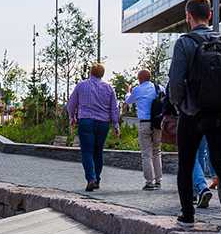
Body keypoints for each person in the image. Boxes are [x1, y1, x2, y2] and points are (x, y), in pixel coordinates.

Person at [168, 0, 221, 234]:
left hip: (193, 112)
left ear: (188, 16)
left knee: (186, 164)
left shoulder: (185, 43)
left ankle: (187, 216)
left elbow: (175, 81)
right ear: (210, 15)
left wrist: (179, 105)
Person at [66, 63, 120, 192]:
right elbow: (114, 108)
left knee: (87, 152)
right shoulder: (108, 88)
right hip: (103, 123)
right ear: (102, 74)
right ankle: (97, 179)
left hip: (86, 121)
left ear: (90, 72)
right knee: (98, 151)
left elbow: (71, 104)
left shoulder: (81, 85)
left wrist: (72, 117)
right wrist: (116, 125)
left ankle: (91, 179)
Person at [125, 69, 164, 190]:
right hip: (158, 123)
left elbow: (128, 101)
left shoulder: (137, 89)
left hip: (145, 124)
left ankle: (149, 182)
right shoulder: (159, 88)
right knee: (157, 152)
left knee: (146, 154)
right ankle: (158, 180)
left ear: (140, 79)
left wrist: (128, 91)